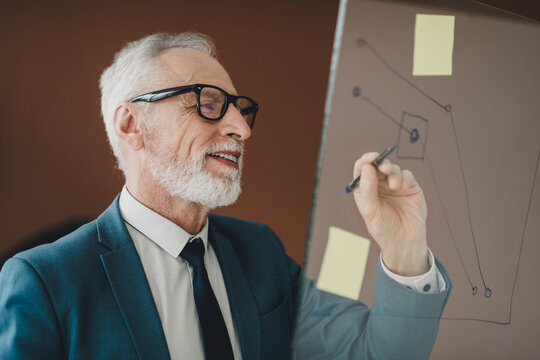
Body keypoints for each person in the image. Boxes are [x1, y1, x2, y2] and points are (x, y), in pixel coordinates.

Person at [0, 32, 451, 360]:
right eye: (209, 103)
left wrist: (404, 247)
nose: (241, 128)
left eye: (240, 109)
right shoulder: (44, 282)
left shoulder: (262, 253)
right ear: (131, 125)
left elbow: (374, 352)